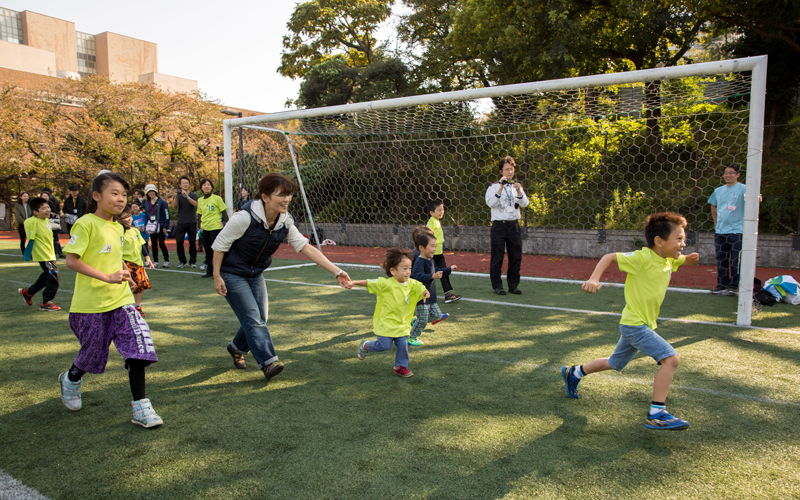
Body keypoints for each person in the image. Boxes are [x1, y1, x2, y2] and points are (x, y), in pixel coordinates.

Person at [561, 212, 699, 430]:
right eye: (679, 239)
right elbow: (610, 257)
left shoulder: (669, 259)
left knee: (614, 363)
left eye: (684, 239)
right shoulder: (642, 258)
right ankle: (657, 413)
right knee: (671, 360)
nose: (683, 243)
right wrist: (594, 278)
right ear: (659, 242)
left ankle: (574, 372)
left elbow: (683, 260)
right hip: (635, 325)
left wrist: (689, 260)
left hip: (640, 324)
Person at [211, 173, 352, 381]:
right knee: (253, 318)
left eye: (289, 195)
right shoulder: (244, 218)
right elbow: (219, 245)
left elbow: (306, 248)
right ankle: (268, 363)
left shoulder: (284, 221)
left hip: (255, 273)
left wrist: (336, 271)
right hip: (232, 273)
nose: (287, 199)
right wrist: (216, 275)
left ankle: (236, 347)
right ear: (265, 197)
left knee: (261, 318)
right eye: (281, 195)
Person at [60, 171, 162, 428]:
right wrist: (105, 276)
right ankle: (71, 378)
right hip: (89, 306)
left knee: (139, 345)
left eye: (124, 195)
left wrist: (124, 277)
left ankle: (141, 407)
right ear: (97, 196)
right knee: (92, 355)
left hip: (122, 301)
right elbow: (71, 260)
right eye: (114, 193)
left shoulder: (119, 227)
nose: (120, 199)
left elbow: (114, 259)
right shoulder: (85, 224)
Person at [349, 248, 429, 378]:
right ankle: (366, 345)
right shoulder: (385, 284)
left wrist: (425, 292)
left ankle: (400, 367)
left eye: (409, 268)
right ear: (393, 271)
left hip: (401, 324)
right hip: (386, 323)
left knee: (403, 345)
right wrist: (353, 282)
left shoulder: (411, 283)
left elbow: (420, 287)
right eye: (404, 268)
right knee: (384, 346)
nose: (408, 272)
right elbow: (369, 282)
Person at [485, 155, 528, 295]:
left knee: (515, 256)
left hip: (514, 226)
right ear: (501, 171)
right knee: (497, 256)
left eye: (511, 169)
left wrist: (519, 191)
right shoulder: (493, 187)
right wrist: (501, 188)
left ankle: (513, 285)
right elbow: (491, 203)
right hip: (499, 225)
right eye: (506, 169)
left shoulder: (517, 186)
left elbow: (525, 204)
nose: (509, 172)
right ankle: (497, 285)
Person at [408, 232, 455, 346]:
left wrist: (449, 269)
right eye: (432, 246)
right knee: (423, 319)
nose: (435, 249)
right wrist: (432, 276)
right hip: (420, 296)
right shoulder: (419, 261)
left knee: (437, 315)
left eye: (435, 246)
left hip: (431, 295)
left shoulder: (431, 260)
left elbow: (438, 270)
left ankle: (416, 320)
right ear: (421, 248)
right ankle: (411, 337)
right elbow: (416, 276)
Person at [708, 164, 746, 296]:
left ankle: (734, 285)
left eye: (731, 172)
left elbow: (754, 201)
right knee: (721, 259)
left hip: (737, 231)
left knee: (736, 259)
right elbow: (713, 206)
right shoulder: (718, 191)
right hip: (720, 231)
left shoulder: (744, 189)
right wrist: (716, 223)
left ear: (738, 174)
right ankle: (722, 284)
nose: (728, 175)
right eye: (725, 173)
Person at [19, 196, 61, 311]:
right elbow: (30, 235)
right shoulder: (32, 222)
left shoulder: (45, 219)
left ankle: (28, 293)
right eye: (43, 208)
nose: (47, 210)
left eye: (48, 207)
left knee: (47, 275)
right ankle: (46, 302)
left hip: (50, 253)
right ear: (35, 212)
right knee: (53, 277)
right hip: (44, 255)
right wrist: (28, 253)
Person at [119, 204, 155, 317]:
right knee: (125, 285)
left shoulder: (135, 231)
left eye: (129, 216)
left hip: (137, 262)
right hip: (125, 262)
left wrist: (147, 258)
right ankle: (124, 306)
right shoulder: (119, 232)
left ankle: (137, 306)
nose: (128, 219)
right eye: (125, 217)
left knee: (139, 285)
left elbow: (142, 245)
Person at [427, 199, 461, 303]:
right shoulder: (432, 221)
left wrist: (441, 245)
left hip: (438, 253)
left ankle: (448, 295)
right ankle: (421, 293)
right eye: (439, 210)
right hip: (432, 254)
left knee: (443, 273)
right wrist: (431, 247)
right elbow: (428, 234)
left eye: (442, 209)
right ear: (432, 213)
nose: (442, 212)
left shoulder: (436, 221)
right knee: (428, 274)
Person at [197, 179, 228, 276]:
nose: (206, 186)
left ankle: (219, 271)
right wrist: (199, 227)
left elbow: (224, 212)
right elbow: (199, 215)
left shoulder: (217, 198)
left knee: (217, 250)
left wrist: (228, 225)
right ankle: (209, 271)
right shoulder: (200, 200)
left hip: (216, 228)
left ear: (212, 187)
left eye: (208, 185)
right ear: (201, 187)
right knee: (208, 251)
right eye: (204, 185)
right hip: (205, 229)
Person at [170, 176, 199, 269]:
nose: (185, 184)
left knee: (192, 243)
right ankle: (182, 261)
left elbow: (195, 204)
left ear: (189, 184)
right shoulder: (177, 196)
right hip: (181, 222)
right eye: (183, 183)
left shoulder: (193, 195)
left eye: (187, 182)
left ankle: (192, 261)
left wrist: (187, 196)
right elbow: (173, 207)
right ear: (180, 185)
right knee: (179, 242)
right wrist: (175, 196)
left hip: (192, 221)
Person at [143, 184, 170, 267]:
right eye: (149, 192)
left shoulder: (161, 202)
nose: (151, 193)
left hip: (160, 225)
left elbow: (166, 214)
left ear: (155, 192)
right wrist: (146, 225)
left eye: (152, 191)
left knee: (161, 243)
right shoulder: (147, 203)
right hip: (151, 226)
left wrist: (165, 226)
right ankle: (155, 261)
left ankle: (166, 260)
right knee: (154, 244)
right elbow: (147, 215)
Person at [40, 190, 65, 259]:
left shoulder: (51, 204)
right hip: (42, 223)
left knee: (55, 239)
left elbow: (55, 212)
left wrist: (52, 213)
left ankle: (60, 253)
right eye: (43, 196)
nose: (45, 197)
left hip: (51, 223)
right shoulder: (39, 205)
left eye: (46, 196)